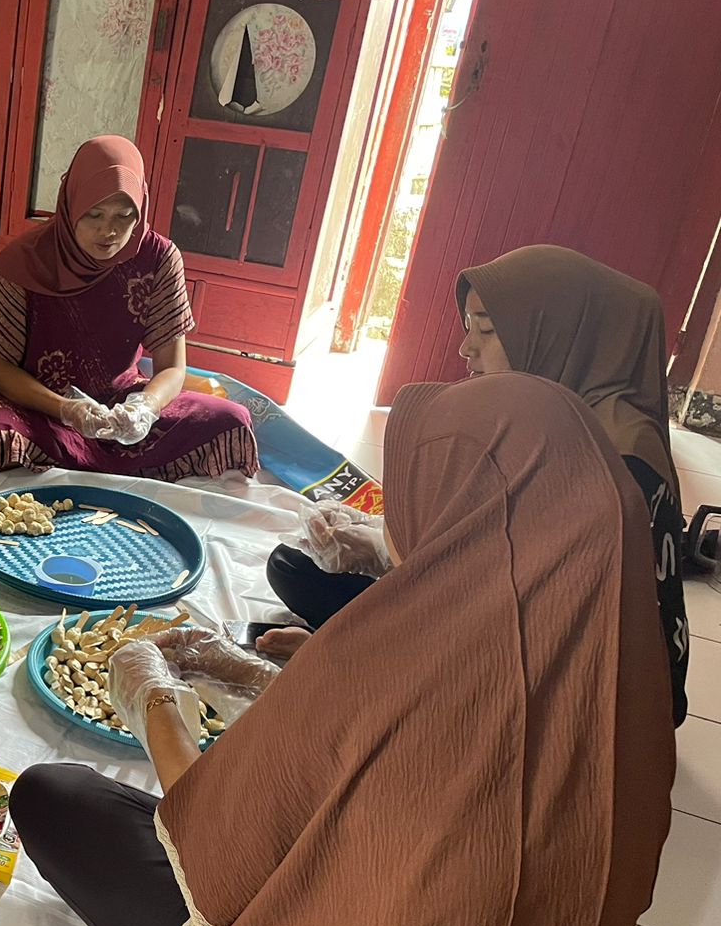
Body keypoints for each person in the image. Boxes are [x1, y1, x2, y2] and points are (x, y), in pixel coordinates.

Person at [12, 373, 675, 926]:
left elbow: (220, 855)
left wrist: (152, 698)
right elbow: (413, 759)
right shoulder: (623, 679)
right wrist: (262, 678)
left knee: (54, 796)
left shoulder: (393, 655)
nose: (401, 514)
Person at [265, 245, 688, 724]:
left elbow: (510, 621)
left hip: (580, 699)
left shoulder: (609, 464)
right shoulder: (567, 415)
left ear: (557, 336)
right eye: (469, 326)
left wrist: (349, 658)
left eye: (488, 330)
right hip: (515, 632)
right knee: (295, 565)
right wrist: (379, 535)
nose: (467, 348)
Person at [0, 136, 258, 480]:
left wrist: (145, 407)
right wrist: (68, 410)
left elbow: (172, 368)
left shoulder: (158, 258)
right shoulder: (26, 261)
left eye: (125, 215)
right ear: (72, 206)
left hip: (121, 403)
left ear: (141, 208)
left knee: (229, 420)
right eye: (94, 215)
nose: (110, 231)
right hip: (36, 404)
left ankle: (91, 449)